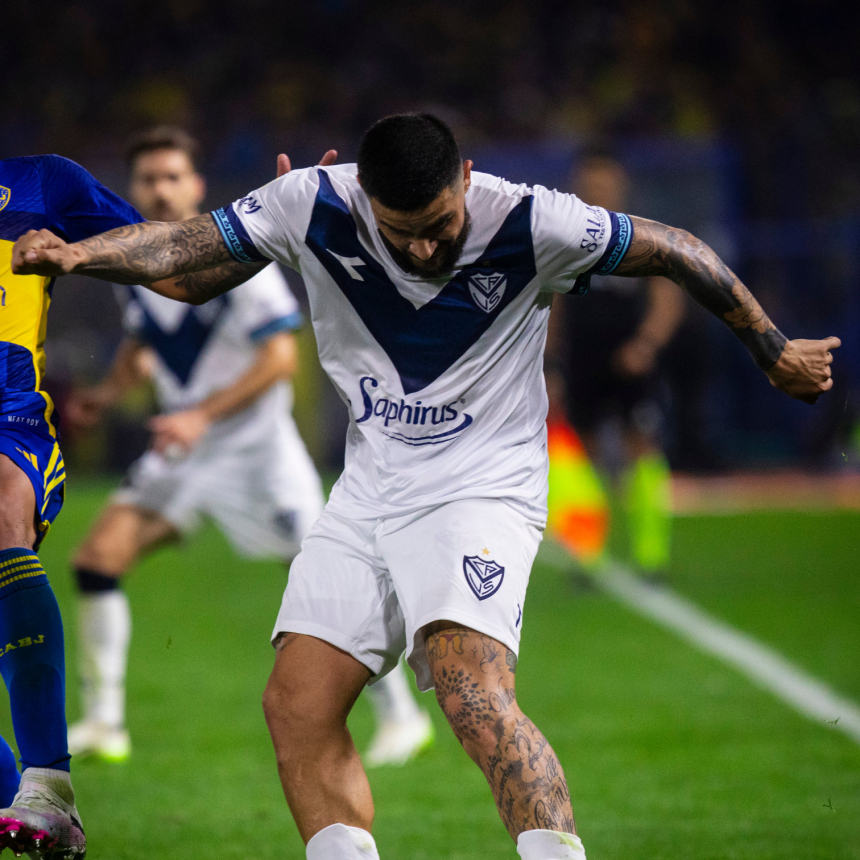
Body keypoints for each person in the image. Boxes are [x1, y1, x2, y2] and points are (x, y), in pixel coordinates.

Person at [13, 113, 839, 860]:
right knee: (297, 704)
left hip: (482, 485)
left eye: (438, 226)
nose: (420, 250)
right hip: (369, 488)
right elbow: (186, 257)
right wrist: (84, 255)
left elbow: (678, 249)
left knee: (469, 687)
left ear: (466, 179)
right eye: (398, 232)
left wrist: (772, 349)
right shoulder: (312, 202)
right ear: (364, 196)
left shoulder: (533, 220)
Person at [63, 127, 432, 767]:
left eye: (173, 176)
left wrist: (199, 415)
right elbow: (143, 340)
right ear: (133, 189)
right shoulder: (135, 263)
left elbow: (280, 359)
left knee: (328, 585)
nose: (161, 189)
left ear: (196, 185)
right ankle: (103, 723)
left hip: (258, 453)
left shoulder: (234, 260)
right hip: (185, 451)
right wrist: (108, 392)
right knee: (97, 560)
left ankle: (401, 715)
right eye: (149, 179)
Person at [0, 153, 148, 859]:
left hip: (9, 422)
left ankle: (48, 784)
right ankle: (32, 820)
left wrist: (287, 215)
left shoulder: (40, 182)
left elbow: (165, 256)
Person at [547, 151, 685, 578]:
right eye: (589, 183)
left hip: (631, 360)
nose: (597, 190)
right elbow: (553, 304)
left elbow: (668, 296)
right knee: (582, 453)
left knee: (641, 447)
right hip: (582, 360)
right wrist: (550, 364)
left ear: (620, 183)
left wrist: (646, 345)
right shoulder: (564, 237)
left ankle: (651, 555)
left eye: (604, 182)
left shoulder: (641, 234)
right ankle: (585, 555)